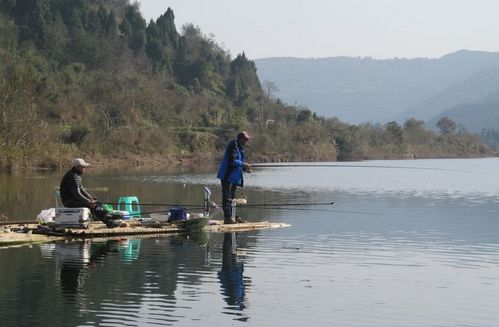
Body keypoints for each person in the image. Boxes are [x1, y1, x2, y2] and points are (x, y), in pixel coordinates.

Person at [60, 158, 121, 228]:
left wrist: (91, 199)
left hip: (74, 200)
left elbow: (82, 190)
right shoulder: (73, 177)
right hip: (69, 202)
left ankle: (105, 218)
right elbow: (77, 194)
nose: (85, 169)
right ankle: (109, 223)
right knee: (93, 206)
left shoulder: (76, 175)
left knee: (97, 203)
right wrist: (89, 202)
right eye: (84, 167)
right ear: (78, 167)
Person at [217, 131, 252, 224]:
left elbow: (238, 163)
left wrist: (245, 169)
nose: (247, 141)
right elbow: (232, 161)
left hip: (234, 177)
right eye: (246, 139)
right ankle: (228, 218)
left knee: (232, 198)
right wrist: (244, 164)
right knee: (227, 197)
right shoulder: (233, 145)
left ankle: (234, 216)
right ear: (240, 138)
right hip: (227, 176)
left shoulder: (240, 148)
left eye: (248, 139)